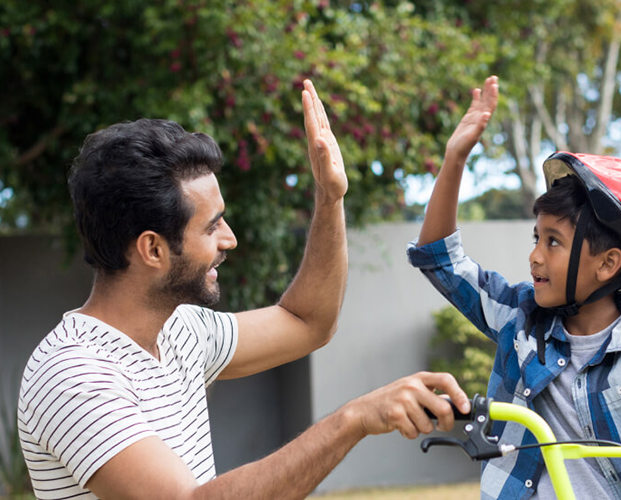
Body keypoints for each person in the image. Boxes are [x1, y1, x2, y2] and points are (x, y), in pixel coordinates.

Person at [17, 79, 470, 500]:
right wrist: (352, 420)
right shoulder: (73, 374)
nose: (229, 238)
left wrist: (330, 198)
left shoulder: (182, 331)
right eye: (212, 226)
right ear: (152, 249)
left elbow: (307, 322)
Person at [407, 75, 621, 500]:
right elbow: (441, 260)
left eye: (554, 242)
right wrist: (455, 158)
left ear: (608, 264)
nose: (535, 256)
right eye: (537, 238)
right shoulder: (519, 318)